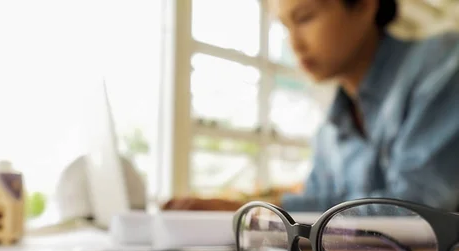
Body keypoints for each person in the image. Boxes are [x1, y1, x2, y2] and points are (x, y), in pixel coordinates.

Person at [163, 0, 459, 213]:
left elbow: (419, 209)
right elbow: (316, 204)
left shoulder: (443, 66)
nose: (294, 43)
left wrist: (257, 212)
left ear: (365, 6)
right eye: (285, 26)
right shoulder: (329, 131)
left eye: (304, 18)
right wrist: (250, 211)